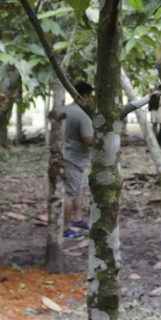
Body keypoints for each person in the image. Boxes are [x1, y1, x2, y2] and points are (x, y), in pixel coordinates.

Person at [60, 83, 96, 240]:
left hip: (70, 157)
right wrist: (104, 142)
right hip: (73, 160)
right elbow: (88, 139)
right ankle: (65, 229)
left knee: (81, 188)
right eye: (91, 96)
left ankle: (78, 219)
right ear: (86, 95)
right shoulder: (83, 114)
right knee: (70, 194)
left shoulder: (65, 109)